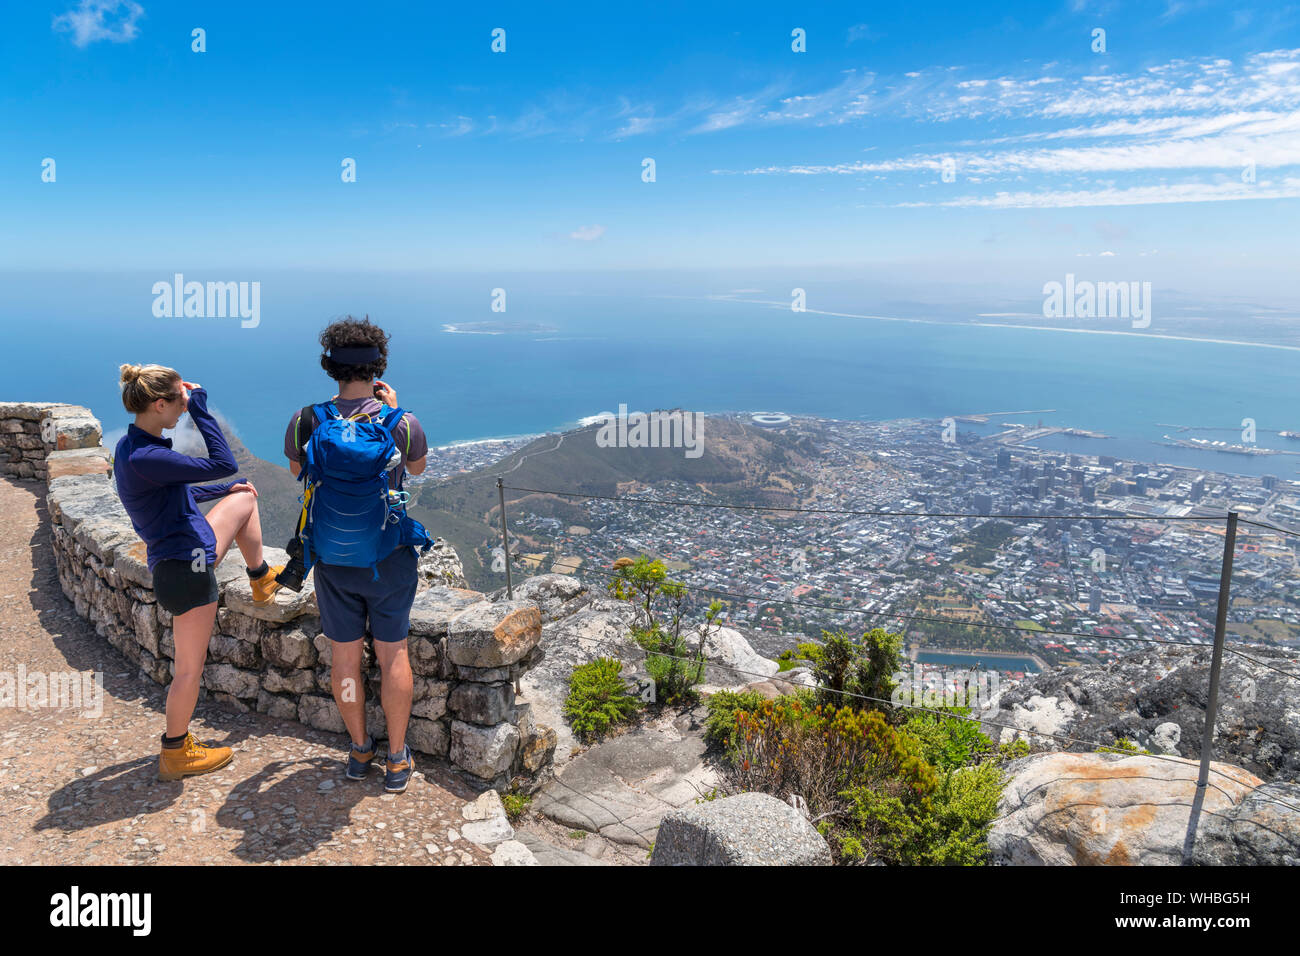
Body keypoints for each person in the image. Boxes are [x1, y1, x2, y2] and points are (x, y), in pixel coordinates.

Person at [112, 364, 285, 781]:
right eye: (179, 401)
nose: (183, 408)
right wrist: (202, 410)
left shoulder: (132, 448)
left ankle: (261, 577)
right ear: (159, 404)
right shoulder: (148, 455)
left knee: (242, 497)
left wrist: (225, 490)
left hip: (177, 562)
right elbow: (221, 461)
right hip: (187, 568)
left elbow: (179, 490)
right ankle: (176, 751)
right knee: (188, 669)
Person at [282, 316, 429, 792]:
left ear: (330, 368)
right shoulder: (400, 421)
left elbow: (295, 469)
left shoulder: (308, 419)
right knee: (394, 656)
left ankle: (359, 749)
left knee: (344, 661)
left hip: (333, 560)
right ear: (378, 366)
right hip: (387, 558)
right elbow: (418, 468)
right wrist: (395, 409)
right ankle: (397, 758)